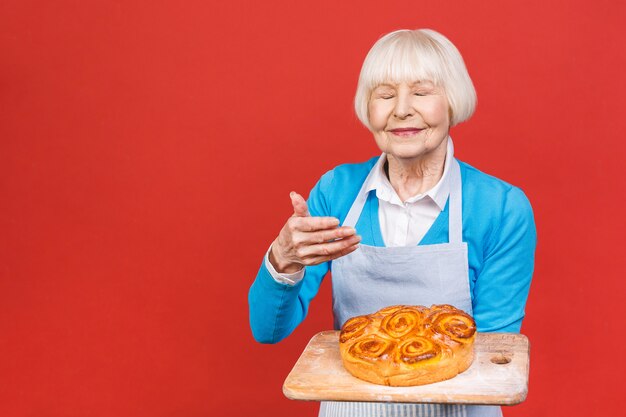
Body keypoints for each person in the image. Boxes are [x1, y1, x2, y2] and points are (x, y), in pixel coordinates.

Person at [248, 28, 536, 417]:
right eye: (384, 95)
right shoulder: (337, 191)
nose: (401, 109)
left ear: (454, 101)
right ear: (368, 109)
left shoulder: (500, 208)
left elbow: (490, 354)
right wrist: (283, 260)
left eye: (421, 92)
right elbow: (267, 331)